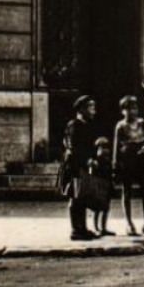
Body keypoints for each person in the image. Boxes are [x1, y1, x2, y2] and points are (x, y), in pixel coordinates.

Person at [112, 95, 144, 235]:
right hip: (128, 160)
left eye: (135, 108)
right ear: (123, 111)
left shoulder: (142, 123)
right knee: (127, 191)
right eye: (129, 108)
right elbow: (116, 147)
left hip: (142, 158)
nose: (133, 111)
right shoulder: (120, 126)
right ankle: (129, 223)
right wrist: (115, 165)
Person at [59, 95, 100, 241]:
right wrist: (87, 160)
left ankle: (82, 228)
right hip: (74, 165)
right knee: (75, 197)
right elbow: (73, 147)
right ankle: (75, 230)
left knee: (81, 196)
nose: (94, 110)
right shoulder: (74, 125)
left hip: (82, 165)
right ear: (82, 109)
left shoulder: (85, 124)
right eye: (91, 107)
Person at [87, 136, 115, 237]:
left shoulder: (108, 161)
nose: (104, 150)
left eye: (106, 147)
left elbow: (110, 173)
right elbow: (92, 174)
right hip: (98, 185)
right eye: (102, 147)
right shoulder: (95, 162)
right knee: (97, 207)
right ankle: (96, 228)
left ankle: (103, 228)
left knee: (106, 207)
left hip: (106, 185)